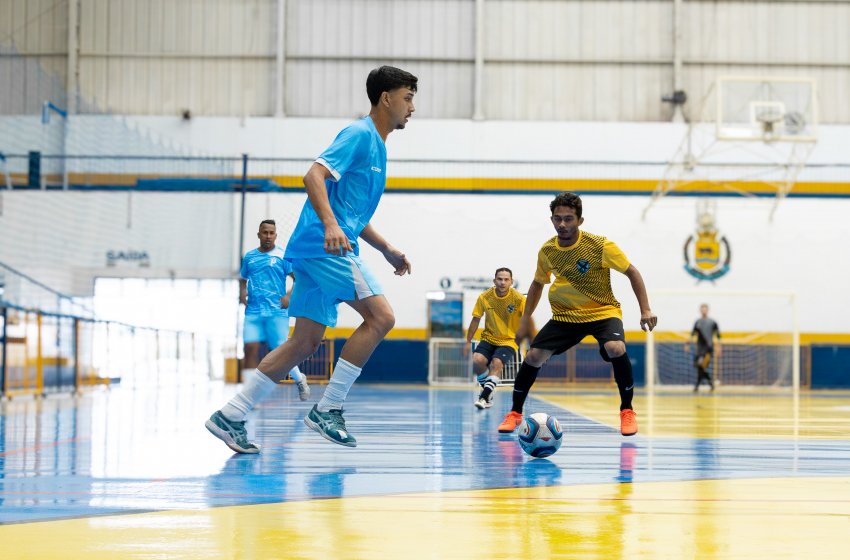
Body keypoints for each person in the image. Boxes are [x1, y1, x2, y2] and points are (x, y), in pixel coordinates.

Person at [206, 65, 417, 452]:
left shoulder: (379, 148)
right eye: (408, 97)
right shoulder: (359, 134)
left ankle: (231, 414)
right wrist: (331, 226)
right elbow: (313, 176)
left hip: (315, 247)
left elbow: (353, 216)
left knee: (303, 342)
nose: (412, 107)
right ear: (386, 98)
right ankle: (329, 408)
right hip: (324, 246)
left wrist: (386, 248)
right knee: (382, 317)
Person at [497, 192, 657, 437]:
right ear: (551, 219)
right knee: (534, 356)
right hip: (565, 316)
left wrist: (645, 309)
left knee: (616, 348)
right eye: (558, 219)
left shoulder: (600, 246)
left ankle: (627, 410)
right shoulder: (548, 250)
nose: (562, 224)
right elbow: (538, 283)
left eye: (569, 219)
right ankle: (515, 412)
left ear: (580, 221)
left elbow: (632, 272)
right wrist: (525, 318)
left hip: (602, 312)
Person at [239, 219, 309, 401]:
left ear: (276, 235)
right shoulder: (250, 257)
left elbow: (299, 280)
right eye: (265, 232)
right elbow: (242, 278)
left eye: (271, 233)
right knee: (250, 347)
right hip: (253, 311)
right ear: (259, 235)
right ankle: (249, 394)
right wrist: (242, 292)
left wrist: (288, 297)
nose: (268, 236)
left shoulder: (282, 257)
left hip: (276, 312)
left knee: (279, 350)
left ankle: (300, 379)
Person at [465, 267, 525, 409]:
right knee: (476, 361)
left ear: (511, 282)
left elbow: (527, 321)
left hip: (509, 340)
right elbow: (475, 320)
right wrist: (467, 342)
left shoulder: (519, 299)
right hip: (489, 338)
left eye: (506, 279)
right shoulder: (484, 297)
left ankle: (484, 397)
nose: (502, 282)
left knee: (496, 364)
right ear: (494, 280)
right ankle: (489, 388)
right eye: (499, 279)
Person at [686, 304, 721, 392]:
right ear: (700, 311)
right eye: (702, 309)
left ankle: (697, 386)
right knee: (700, 367)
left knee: (701, 366)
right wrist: (687, 344)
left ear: (708, 310)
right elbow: (693, 334)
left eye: (705, 309)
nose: (704, 311)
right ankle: (710, 383)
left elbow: (718, 335)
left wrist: (718, 347)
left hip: (708, 349)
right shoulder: (697, 322)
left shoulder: (713, 322)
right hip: (699, 349)